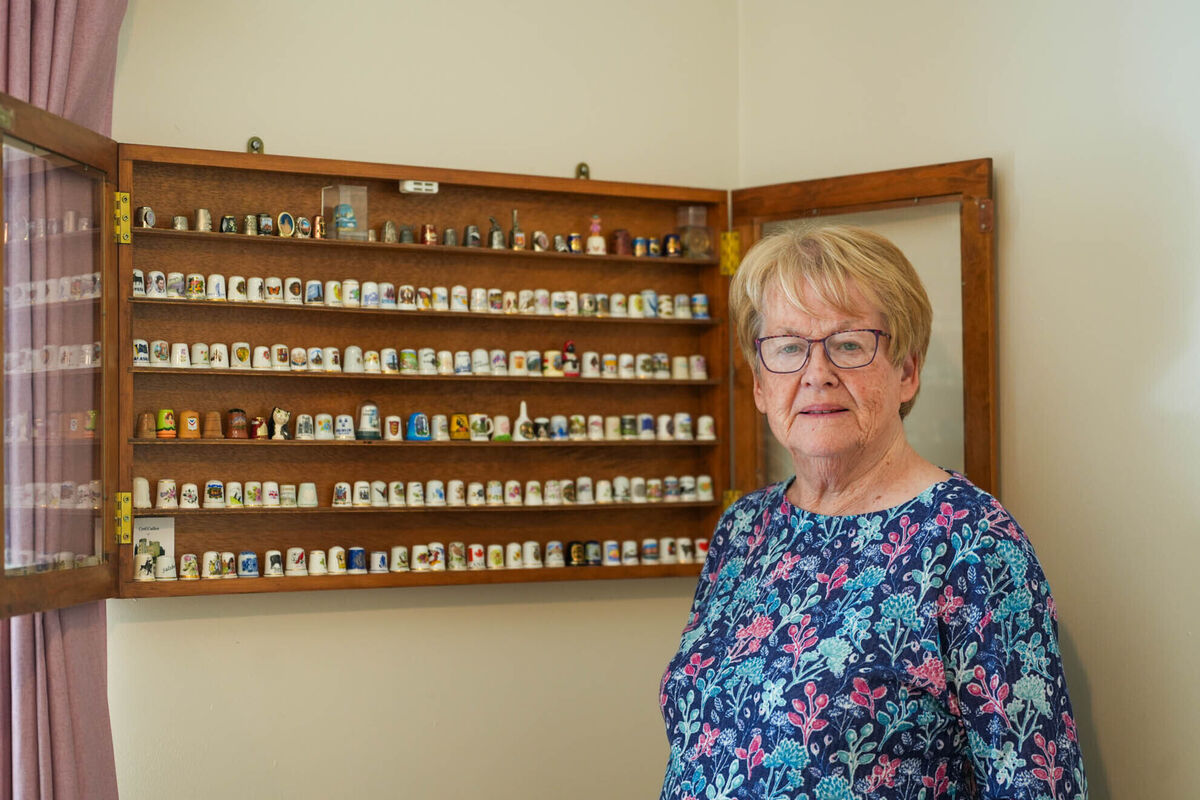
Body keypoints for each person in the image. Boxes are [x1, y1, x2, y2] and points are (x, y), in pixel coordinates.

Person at [659, 226, 1087, 800]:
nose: (816, 374)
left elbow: (1037, 785)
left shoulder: (971, 543)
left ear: (906, 371)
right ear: (760, 383)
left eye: (849, 344)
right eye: (787, 347)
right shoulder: (744, 529)